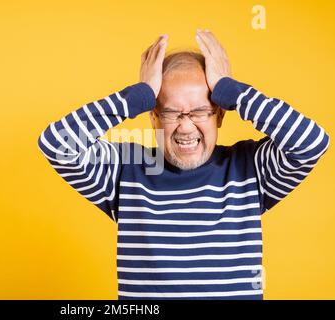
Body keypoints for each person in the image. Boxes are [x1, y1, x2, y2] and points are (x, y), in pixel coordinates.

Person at [37, 30, 330, 299]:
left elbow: (311, 143)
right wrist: (136, 96)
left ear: (220, 114)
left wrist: (234, 92)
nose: (186, 127)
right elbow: (56, 144)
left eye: (200, 111)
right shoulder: (126, 170)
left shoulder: (249, 168)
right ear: (153, 116)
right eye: (172, 112)